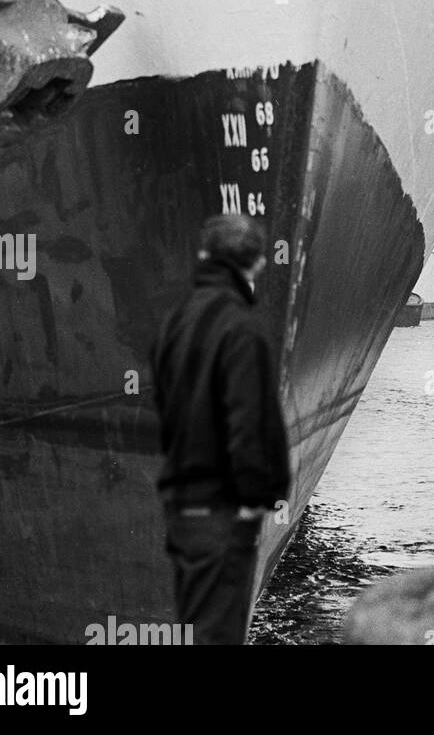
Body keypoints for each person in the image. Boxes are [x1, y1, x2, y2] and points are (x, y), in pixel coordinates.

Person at [151, 213, 290, 645]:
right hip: (224, 512)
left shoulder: (175, 321)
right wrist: (252, 501)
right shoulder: (243, 329)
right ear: (257, 264)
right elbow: (247, 420)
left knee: (197, 628)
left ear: (204, 256)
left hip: (183, 507)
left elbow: (167, 408)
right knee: (217, 637)